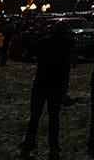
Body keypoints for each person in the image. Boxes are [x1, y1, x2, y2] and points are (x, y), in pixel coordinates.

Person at [20, 22, 76, 160]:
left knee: (35, 116)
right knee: (53, 118)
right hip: (56, 86)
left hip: (41, 83)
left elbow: (30, 51)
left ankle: (29, 143)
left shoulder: (46, 42)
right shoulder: (68, 44)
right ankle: (54, 146)